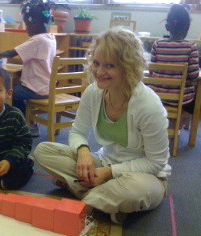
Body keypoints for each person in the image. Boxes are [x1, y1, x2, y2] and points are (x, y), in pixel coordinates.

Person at [34, 29, 171, 224]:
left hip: (143, 176)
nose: (99, 72)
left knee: (133, 190)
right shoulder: (94, 92)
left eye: (109, 66)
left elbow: (156, 163)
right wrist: (83, 152)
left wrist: (109, 173)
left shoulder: (148, 105)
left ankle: (85, 197)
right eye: (96, 63)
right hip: (103, 163)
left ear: (128, 67)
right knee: (43, 150)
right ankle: (105, 201)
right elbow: (77, 132)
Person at [0, 0, 57, 137]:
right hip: (46, 87)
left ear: (36, 23)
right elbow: (29, 57)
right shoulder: (50, 38)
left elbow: (12, 52)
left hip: (35, 88)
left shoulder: (37, 40)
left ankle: (26, 124)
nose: (26, 28)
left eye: (27, 24)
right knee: (16, 92)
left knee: (9, 94)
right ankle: (29, 121)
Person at [150, 4, 199, 126]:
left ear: (167, 27)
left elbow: (152, 72)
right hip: (181, 100)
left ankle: (166, 122)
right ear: (187, 27)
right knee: (196, 95)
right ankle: (179, 122)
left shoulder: (157, 45)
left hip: (158, 97)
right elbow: (194, 77)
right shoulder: (191, 47)